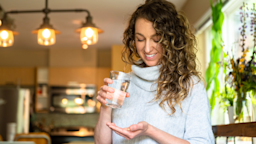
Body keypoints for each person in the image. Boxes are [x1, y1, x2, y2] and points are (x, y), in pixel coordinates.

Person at [94, 0, 215, 143]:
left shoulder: (190, 86)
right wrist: (105, 107)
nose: (146, 48)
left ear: (171, 40)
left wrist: (150, 131)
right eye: (140, 39)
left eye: (156, 39)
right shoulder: (122, 85)